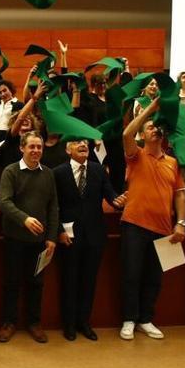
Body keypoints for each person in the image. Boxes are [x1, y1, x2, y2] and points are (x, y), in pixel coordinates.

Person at [119, 97, 185, 341]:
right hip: (135, 224)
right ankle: (129, 319)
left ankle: (145, 319)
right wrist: (151, 109)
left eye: (157, 127)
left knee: (154, 277)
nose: (154, 129)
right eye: (149, 127)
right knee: (131, 274)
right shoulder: (135, 155)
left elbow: (180, 195)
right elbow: (127, 133)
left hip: (163, 228)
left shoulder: (172, 162)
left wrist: (181, 222)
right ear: (143, 135)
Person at [53, 139, 123, 341]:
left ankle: (84, 322)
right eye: (76, 142)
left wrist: (119, 201)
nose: (83, 144)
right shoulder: (58, 172)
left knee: (89, 280)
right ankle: (69, 324)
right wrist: (58, 230)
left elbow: (110, 195)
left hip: (95, 234)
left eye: (85, 142)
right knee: (70, 280)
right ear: (68, 149)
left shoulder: (98, 169)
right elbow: (53, 205)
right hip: (69, 235)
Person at [0, 132, 59, 343]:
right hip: (14, 238)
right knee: (11, 282)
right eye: (31, 147)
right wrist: (24, 219)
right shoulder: (10, 171)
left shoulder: (48, 174)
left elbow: (53, 207)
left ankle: (34, 322)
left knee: (36, 283)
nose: (36, 151)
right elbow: (4, 202)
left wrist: (51, 237)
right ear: (22, 148)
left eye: (39, 147)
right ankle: (9, 322)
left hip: (39, 242)